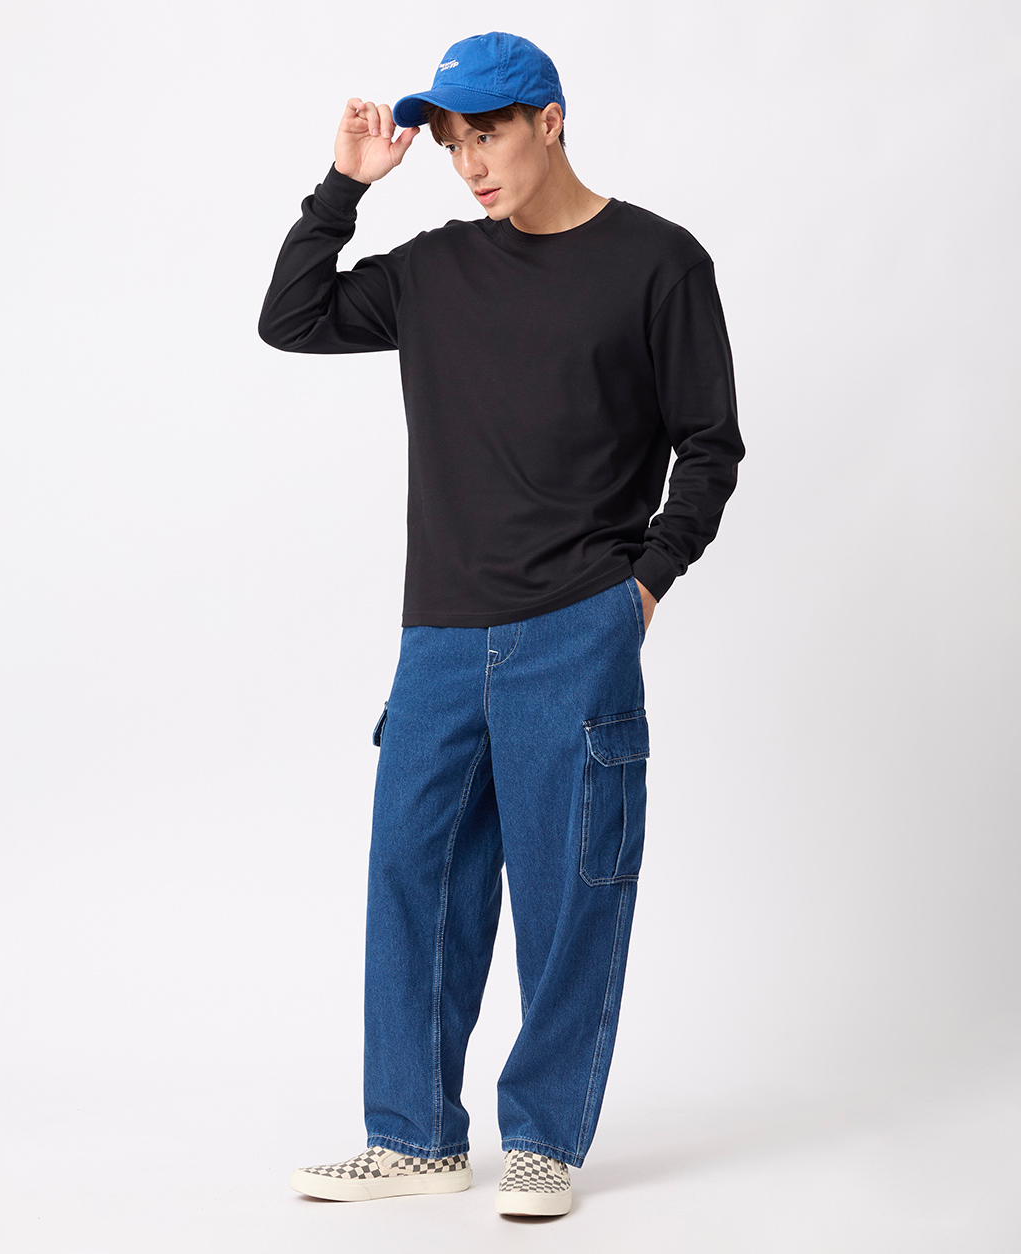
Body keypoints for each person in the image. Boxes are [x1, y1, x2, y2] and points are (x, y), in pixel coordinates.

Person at [258, 30, 744, 1218]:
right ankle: (413, 1137)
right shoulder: (434, 272)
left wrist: (643, 585)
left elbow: (709, 445)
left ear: (550, 122)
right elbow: (292, 317)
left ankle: (543, 1142)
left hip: (576, 627)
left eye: (489, 135)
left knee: (568, 894)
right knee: (413, 881)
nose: (470, 163)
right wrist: (344, 186)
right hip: (436, 635)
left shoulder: (658, 262)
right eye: (453, 143)